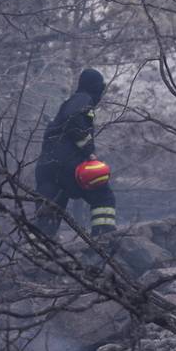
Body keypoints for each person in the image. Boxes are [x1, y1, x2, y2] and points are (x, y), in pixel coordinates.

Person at [33, 68, 117, 239]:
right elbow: (73, 119)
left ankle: (39, 249)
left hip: (46, 170)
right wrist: (89, 151)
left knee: (48, 215)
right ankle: (104, 239)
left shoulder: (68, 103)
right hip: (68, 165)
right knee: (103, 196)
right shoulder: (82, 98)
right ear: (96, 87)